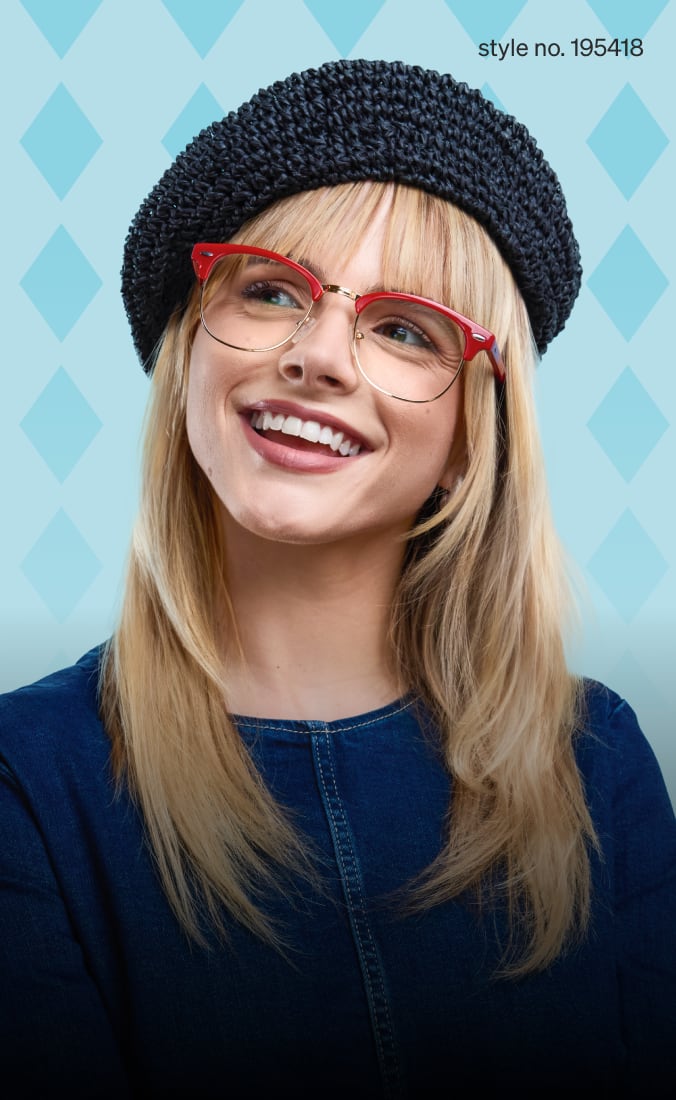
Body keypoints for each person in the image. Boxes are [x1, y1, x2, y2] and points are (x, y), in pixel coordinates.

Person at [1, 59, 674, 1098]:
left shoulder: (600, 763)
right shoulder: (26, 780)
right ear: (187, 354)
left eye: (405, 328)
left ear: (469, 435)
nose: (319, 356)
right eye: (271, 290)